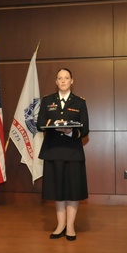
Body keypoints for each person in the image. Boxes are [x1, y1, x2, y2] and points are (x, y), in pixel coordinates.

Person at [36, 68, 89, 241]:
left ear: (72, 81)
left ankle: (71, 226)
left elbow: (85, 129)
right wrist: (54, 125)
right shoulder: (47, 101)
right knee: (57, 190)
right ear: (56, 82)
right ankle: (60, 225)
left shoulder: (80, 102)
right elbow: (40, 124)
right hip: (53, 151)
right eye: (60, 78)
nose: (63, 81)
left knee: (73, 190)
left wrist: (68, 131)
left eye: (66, 78)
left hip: (73, 151)